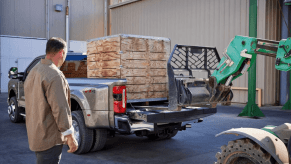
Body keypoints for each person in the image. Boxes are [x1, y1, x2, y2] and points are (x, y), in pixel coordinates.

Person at [24, 37, 78, 164]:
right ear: (61, 53)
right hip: (49, 138)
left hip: (36, 135)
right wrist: (70, 136)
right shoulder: (54, 75)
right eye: (64, 55)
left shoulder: (34, 71)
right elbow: (60, 108)